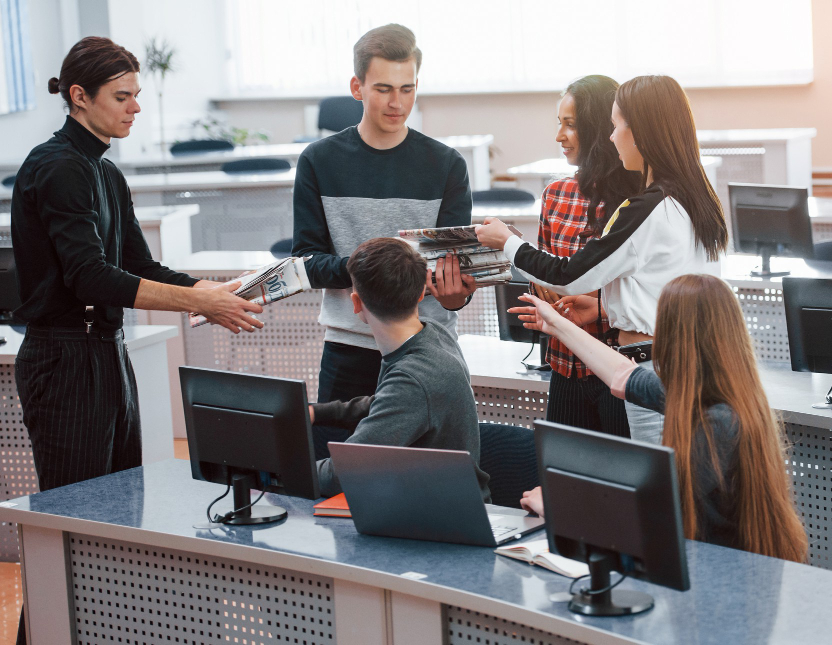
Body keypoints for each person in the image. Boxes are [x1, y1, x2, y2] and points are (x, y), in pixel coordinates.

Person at [10, 36, 261, 645]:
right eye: (122, 96)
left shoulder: (104, 170)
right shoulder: (58, 168)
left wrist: (208, 288)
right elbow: (90, 277)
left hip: (103, 353)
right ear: (79, 96)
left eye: (136, 95)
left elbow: (139, 265)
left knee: (115, 518)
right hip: (64, 358)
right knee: (70, 530)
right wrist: (198, 302)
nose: (136, 108)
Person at [477, 75, 728, 444]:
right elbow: (657, 288)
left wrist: (508, 242)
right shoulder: (694, 199)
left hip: (648, 367)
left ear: (640, 132)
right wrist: (604, 306)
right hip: (676, 362)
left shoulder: (648, 207)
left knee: (645, 475)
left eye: (616, 126)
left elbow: (568, 276)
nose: (611, 138)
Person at [513, 274, 809, 563]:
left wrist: (559, 508)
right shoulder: (715, 395)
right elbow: (622, 375)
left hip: (716, 573)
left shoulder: (719, 422)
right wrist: (557, 325)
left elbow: (648, 514)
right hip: (716, 564)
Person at [293, 23, 475, 456]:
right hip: (349, 347)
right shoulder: (319, 161)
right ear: (357, 87)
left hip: (426, 348)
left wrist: (457, 296)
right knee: (337, 476)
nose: (398, 103)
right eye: (384, 89)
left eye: (407, 89)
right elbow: (307, 262)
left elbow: (453, 275)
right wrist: (378, 270)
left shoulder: (447, 164)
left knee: (429, 477)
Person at [312, 238, 489, 502]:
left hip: (441, 517)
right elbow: (387, 402)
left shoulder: (413, 377)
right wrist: (317, 412)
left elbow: (344, 472)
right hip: (426, 499)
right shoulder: (433, 333)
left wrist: (277, 470)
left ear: (356, 303)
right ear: (419, 294)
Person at [533, 75, 640, 438]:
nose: (559, 136)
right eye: (559, 123)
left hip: (619, 369)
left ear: (597, 129)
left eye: (571, 125)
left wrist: (599, 304)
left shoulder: (638, 201)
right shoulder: (555, 194)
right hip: (565, 366)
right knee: (565, 471)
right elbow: (543, 275)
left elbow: (647, 291)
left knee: (625, 470)